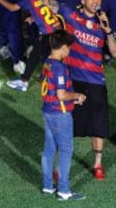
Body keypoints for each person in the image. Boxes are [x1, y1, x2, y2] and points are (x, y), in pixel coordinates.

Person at [43, 0, 116, 180]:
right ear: (83, 0)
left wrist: (109, 31)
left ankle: (97, 164)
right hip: (72, 80)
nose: (96, 0)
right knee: (66, 124)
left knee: (98, 126)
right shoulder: (70, 14)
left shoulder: (102, 23)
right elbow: (46, 1)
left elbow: (115, 53)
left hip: (96, 81)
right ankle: (59, 167)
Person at [0, 0, 62, 92]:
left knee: (35, 56)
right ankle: (47, 77)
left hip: (47, 33)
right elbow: (44, 10)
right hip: (57, 30)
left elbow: (13, 8)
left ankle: (24, 81)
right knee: (46, 56)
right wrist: (33, 17)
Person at [40, 29, 86, 201]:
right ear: (64, 47)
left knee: (49, 149)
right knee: (66, 150)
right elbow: (61, 95)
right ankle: (64, 190)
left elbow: (52, 92)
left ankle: (47, 186)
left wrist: (69, 100)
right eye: (69, 48)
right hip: (60, 114)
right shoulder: (59, 67)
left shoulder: (47, 62)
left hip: (48, 110)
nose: (69, 51)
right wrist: (76, 96)